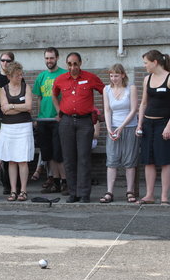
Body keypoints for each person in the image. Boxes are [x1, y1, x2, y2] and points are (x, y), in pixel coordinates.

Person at [52, 52, 105, 203]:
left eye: (75, 64)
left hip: (85, 122)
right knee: (68, 158)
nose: (72, 67)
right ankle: (73, 192)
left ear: (80, 63)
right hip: (66, 121)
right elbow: (54, 95)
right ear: (66, 64)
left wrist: (102, 111)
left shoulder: (90, 77)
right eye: (69, 64)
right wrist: (58, 111)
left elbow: (105, 92)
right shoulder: (60, 79)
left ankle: (84, 194)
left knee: (83, 158)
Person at [99, 64, 139, 203]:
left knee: (129, 160)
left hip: (129, 126)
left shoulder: (131, 88)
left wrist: (122, 127)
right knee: (112, 160)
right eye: (111, 76)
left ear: (122, 75)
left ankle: (130, 191)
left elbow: (134, 110)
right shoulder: (107, 89)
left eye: (116, 75)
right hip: (114, 127)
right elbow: (107, 110)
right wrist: (109, 128)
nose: (113, 78)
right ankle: (109, 192)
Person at [136, 50, 170, 205]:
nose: (144, 66)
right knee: (148, 160)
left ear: (155, 62)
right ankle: (149, 195)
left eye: (146, 63)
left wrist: (168, 126)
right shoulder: (147, 79)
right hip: (148, 124)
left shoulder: (169, 78)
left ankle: (163, 196)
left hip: (163, 124)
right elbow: (144, 103)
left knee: (164, 160)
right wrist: (140, 124)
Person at [32, 47, 68, 195]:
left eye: (51, 58)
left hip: (58, 119)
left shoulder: (64, 75)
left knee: (59, 152)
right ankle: (55, 181)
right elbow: (39, 98)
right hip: (43, 120)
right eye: (47, 58)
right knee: (48, 153)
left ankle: (65, 181)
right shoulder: (41, 77)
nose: (49, 61)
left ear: (57, 58)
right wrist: (37, 116)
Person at [0, 62, 34, 201]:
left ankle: (23, 190)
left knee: (22, 160)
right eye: (17, 75)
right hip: (8, 128)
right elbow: (4, 109)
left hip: (24, 127)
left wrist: (12, 106)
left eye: (21, 74)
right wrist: (20, 107)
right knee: (11, 160)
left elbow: (29, 106)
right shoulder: (3, 90)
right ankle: (13, 190)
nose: (20, 77)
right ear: (9, 76)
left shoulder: (26, 87)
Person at [0, 51, 14, 194]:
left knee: (11, 153)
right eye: (2, 60)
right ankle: (5, 182)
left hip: (13, 118)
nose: (5, 63)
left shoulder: (16, 78)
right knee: (3, 151)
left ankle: (12, 183)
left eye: (8, 60)